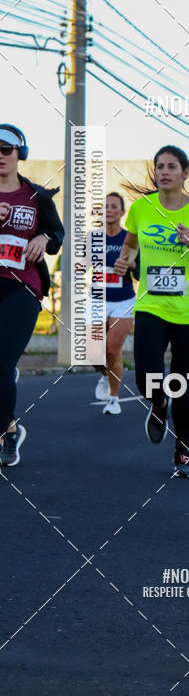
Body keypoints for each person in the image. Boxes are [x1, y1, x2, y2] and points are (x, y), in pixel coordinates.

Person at [114, 145, 189, 477]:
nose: (164, 171)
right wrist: (127, 258)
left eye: (171, 166)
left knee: (181, 381)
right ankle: (158, 404)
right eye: (159, 166)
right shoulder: (141, 208)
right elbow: (131, 242)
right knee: (147, 376)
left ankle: (183, 451)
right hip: (151, 304)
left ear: (184, 172)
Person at [0, 125, 64, 466]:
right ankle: (10, 430)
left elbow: (56, 233)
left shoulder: (36, 196)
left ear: (20, 154)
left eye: (6, 149)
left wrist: (43, 239)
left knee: (2, 364)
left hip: (22, 287)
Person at [91, 193, 138, 415]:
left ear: (122, 212)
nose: (109, 210)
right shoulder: (92, 237)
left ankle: (113, 398)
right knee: (92, 352)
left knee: (111, 350)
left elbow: (139, 274)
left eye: (114, 207)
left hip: (123, 300)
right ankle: (104, 375)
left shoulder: (130, 239)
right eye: (105, 207)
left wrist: (131, 264)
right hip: (96, 299)